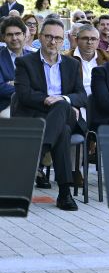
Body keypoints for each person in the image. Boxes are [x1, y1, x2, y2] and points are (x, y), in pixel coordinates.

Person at [14, 18, 87, 211]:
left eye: (57, 38)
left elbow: (81, 95)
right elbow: (23, 94)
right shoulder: (25, 62)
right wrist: (47, 99)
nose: (52, 42)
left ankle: (38, 153)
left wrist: (62, 98)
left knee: (62, 106)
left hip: (65, 113)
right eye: (48, 37)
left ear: (63, 41)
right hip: (37, 115)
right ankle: (65, 193)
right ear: (40, 37)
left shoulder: (72, 64)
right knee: (61, 131)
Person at [64, 24, 109, 96]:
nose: (89, 42)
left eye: (93, 39)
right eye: (85, 38)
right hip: (77, 102)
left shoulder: (107, 57)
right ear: (76, 40)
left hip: (103, 100)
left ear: (98, 41)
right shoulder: (66, 59)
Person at [0, 17, 30, 117]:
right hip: (7, 106)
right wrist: (27, 87)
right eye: (9, 35)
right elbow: (1, 88)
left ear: (24, 35)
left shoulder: (33, 57)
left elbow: (43, 85)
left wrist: (14, 83)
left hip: (33, 105)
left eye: (17, 34)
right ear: (3, 37)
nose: (14, 38)